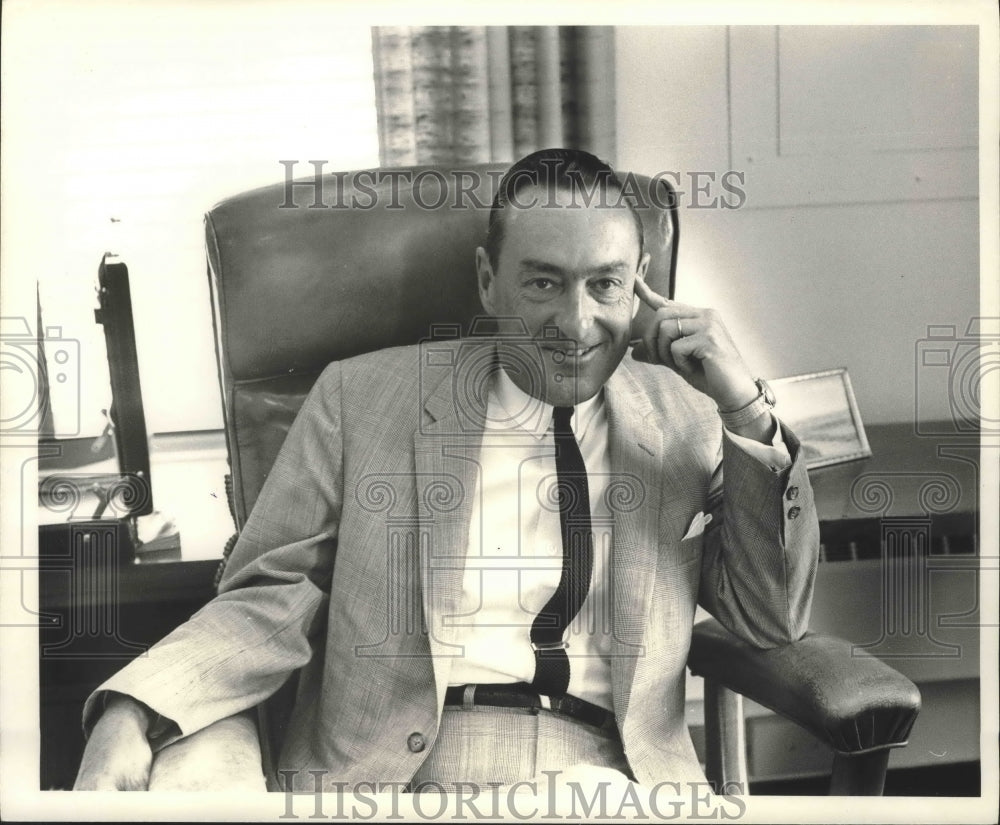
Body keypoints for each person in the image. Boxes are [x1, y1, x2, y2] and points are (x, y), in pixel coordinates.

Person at [74, 148, 819, 794]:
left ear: (642, 283)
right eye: (543, 283)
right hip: (398, 774)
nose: (577, 323)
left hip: (612, 774)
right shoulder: (359, 400)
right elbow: (268, 598)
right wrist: (134, 707)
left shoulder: (688, 412)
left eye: (605, 284)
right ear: (489, 280)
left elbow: (771, 617)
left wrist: (747, 410)